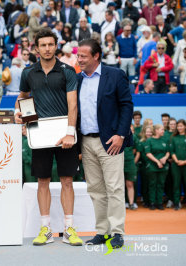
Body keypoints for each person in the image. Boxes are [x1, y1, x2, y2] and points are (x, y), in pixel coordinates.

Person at [14, 29, 83, 246]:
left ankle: (69, 228)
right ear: (36, 48)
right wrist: (22, 117)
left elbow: (73, 104)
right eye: (43, 45)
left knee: (67, 181)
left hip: (65, 136)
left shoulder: (67, 71)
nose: (47, 48)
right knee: (42, 181)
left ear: (56, 46)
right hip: (39, 134)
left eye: (51, 45)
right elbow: (23, 98)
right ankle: (45, 229)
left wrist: (70, 133)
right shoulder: (28, 72)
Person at [77, 38, 133, 248]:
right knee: (96, 190)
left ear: (96, 56)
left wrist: (121, 134)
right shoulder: (77, 79)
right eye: (78, 55)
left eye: (83, 56)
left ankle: (117, 232)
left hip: (111, 141)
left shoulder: (116, 75)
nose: (79, 59)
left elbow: (127, 106)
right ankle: (102, 231)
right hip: (86, 142)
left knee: (114, 188)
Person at [145, 124, 170, 210]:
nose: (163, 131)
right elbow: (148, 153)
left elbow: (168, 152)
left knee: (161, 184)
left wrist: (165, 158)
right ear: (156, 131)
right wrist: (157, 161)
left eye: (163, 129)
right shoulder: (149, 140)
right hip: (152, 166)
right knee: (152, 184)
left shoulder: (165, 140)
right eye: (162, 129)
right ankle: (152, 202)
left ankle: (159, 203)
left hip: (163, 167)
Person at [170, 119, 186, 210]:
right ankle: (176, 203)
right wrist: (177, 161)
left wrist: (184, 161)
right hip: (176, 165)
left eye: (181, 126)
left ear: (185, 126)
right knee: (176, 184)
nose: (179, 127)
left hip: (185, 164)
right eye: (178, 126)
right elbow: (172, 151)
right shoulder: (173, 137)